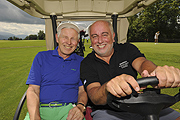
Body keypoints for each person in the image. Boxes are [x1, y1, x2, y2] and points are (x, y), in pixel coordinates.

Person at [80, 20, 180, 120]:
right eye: (94, 36)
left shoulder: (127, 49)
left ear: (113, 36)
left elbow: (142, 63)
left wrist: (155, 72)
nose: (100, 40)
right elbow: (94, 95)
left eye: (104, 34)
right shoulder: (87, 63)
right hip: (107, 112)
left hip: (138, 105)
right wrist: (107, 88)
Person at [25, 22, 87, 120]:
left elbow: (82, 91)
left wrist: (80, 107)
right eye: (65, 37)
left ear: (78, 41)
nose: (69, 42)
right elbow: (33, 90)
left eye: (73, 38)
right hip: (41, 109)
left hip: (68, 111)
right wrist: (35, 117)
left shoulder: (81, 62)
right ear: (57, 38)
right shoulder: (41, 57)